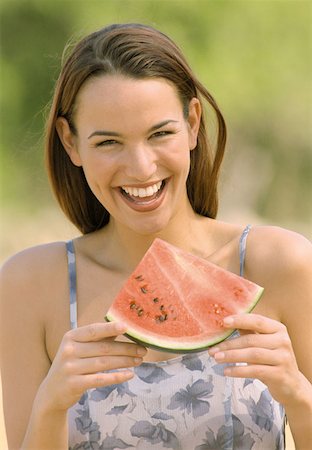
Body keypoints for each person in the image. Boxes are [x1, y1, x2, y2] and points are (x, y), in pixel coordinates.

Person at [0, 23, 311, 450]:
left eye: (160, 134)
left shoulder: (280, 263)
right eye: (109, 142)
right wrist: (52, 404)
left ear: (193, 123)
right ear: (70, 143)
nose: (141, 167)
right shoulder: (29, 284)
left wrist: (298, 393)